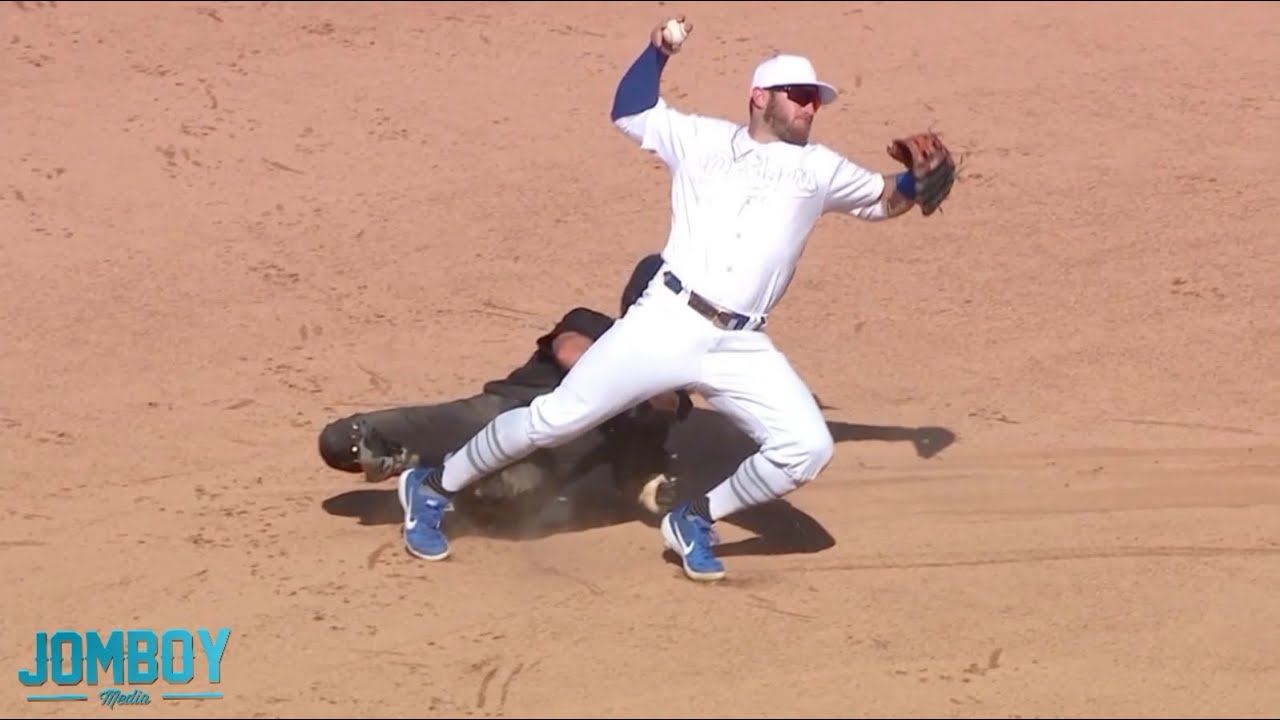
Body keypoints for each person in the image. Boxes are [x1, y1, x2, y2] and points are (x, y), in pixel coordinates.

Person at [396, 15, 955, 581]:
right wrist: (658, 52)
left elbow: (882, 199)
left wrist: (918, 180)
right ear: (761, 96)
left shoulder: (820, 169)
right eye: (799, 95)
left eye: (816, 99)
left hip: (740, 343)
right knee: (553, 421)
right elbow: (630, 111)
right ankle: (433, 485)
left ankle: (695, 518)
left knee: (807, 448)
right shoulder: (702, 140)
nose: (811, 107)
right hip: (666, 320)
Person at [319, 254, 691, 528]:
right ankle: (425, 465)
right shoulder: (592, 324)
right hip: (489, 416)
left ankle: (433, 477)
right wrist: (635, 380)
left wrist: (650, 488)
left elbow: (638, 459)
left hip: (539, 468)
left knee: (508, 500)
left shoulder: (668, 390)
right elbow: (569, 352)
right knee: (342, 441)